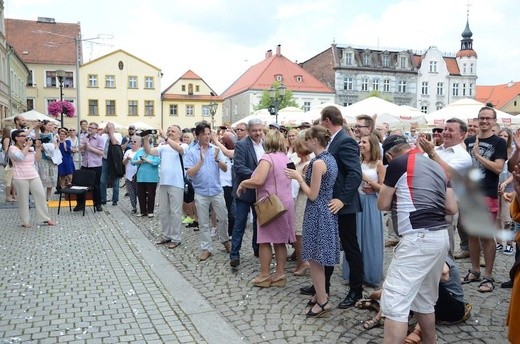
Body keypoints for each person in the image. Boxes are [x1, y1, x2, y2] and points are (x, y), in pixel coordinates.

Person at [377, 134, 457, 344]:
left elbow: (382, 204)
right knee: (424, 300)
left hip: (417, 237)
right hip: (439, 237)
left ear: (388, 155)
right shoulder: (438, 166)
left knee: (395, 302)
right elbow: (452, 208)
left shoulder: (399, 163)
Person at [300, 106, 363, 310]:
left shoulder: (346, 141)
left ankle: (356, 290)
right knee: (323, 247)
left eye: (321, 120)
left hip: (341, 205)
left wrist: (342, 200)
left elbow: (355, 173)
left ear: (327, 120)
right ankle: (321, 288)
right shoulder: (333, 142)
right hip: (327, 203)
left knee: (350, 248)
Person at [285, 126, 338, 316]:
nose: (305, 142)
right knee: (319, 257)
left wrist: (299, 178)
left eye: (307, 139)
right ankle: (320, 295)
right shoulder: (329, 159)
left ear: (315, 140)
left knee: (315, 259)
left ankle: (323, 302)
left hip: (317, 211)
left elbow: (313, 195)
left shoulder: (318, 163)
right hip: (326, 211)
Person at [238, 130, 295, 288]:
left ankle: (264, 275)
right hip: (286, 202)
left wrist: (243, 184)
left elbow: (258, 180)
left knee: (264, 241)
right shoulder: (286, 158)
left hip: (270, 204)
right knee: (280, 241)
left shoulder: (267, 158)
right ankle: (280, 274)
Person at [463, 107, 507, 293]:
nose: (484, 121)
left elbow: (498, 168)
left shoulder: (498, 142)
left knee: (487, 236)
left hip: (487, 193)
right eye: (481, 118)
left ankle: (488, 275)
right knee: (472, 233)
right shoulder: (469, 141)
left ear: (494, 121)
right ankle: (475, 270)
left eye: (488, 118)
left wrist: (478, 155)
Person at [417, 118, 472, 257]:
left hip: (447, 204)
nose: (445, 132)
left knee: (445, 247)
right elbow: (419, 169)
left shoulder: (463, 156)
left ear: (462, 135)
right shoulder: (434, 150)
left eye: (450, 130)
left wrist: (432, 155)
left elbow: (448, 174)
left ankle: (449, 275)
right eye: (445, 129)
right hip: (427, 200)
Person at [185, 122, 230, 261]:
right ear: (197, 136)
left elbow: (225, 169)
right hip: (201, 192)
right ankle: (206, 248)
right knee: (204, 222)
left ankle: (225, 241)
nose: (207, 136)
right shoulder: (192, 152)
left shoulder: (216, 149)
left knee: (223, 218)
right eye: (204, 134)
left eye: (208, 133)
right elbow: (190, 174)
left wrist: (217, 159)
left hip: (216, 190)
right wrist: (200, 162)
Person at [347, 133, 385, 287]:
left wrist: (367, 180)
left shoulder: (379, 164)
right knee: (355, 239)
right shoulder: (357, 162)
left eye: (364, 142)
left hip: (371, 204)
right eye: (360, 142)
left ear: (372, 145)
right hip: (357, 202)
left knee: (370, 239)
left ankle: (371, 273)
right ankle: (355, 274)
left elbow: (383, 188)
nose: (360, 144)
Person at [143, 125, 188, 249]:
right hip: (163, 183)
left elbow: (179, 149)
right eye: (169, 131)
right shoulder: (163, 146)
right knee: (164, 211)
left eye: (173, 131)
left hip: (176, 183)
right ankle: (166, 235)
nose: (170, 132)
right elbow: (150, 151)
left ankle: (176, 238)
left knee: (175, 212)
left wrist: (165, 137)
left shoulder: (184, 145)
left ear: (179, 134)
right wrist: (145, 140)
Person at [229, 118, 265, 267]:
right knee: (240, 223)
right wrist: (258, 175)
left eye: (260, 130)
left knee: (259, 222)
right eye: (255, 130)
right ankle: (234, 254)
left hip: (261, 191)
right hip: (244, 191)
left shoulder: (267, 144)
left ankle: (257, 249)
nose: (258, 133)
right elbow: (238, 167)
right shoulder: (242, 145)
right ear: (249, 131)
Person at [9, 129, 56, 227]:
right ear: (16, 138)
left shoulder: (29, 148)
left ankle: (45, 218)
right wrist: (27, 146)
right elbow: (20, 157)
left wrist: (38, 148)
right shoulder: (12, 148)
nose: (24, 137)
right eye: (22, 135)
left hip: (33, 175)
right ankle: (25, 221)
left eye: (25, 135)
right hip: (20, 177)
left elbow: (37, 159)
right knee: (23, 199)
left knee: (40, 196)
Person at [289, 131, 314, 275]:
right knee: (297, 233)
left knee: (299, 233)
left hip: (303, 200)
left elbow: (309, 186)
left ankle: (304, 262)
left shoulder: (309, 164)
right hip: (296, 199)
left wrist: (298, 177)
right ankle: (300, 261)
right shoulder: (299, 162)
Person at [77, 122, 104, 212]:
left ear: (96, 130)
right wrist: (83, 147)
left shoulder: (100, 139)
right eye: (89, 127)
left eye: (92, 128)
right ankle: (80, 204)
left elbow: (101, 153)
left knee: (96, 185)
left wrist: (90, 148)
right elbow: (79, 149)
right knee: (80, 184)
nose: (89, 129)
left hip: (95, 165)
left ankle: (98, 204)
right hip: (85, 164)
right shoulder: (85, 137)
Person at [132, 137, 160, 217]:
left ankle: (150, 211)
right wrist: (139, 161)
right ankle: (142, 211)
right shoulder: (140, 151)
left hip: (151, 177)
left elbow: (158, 161)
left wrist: (147, 160)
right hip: (141, 177)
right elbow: (132, 161)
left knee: (151, 195)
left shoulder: (154, 151)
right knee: (141, 194)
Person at [100, 123, 124, 206]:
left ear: (114, 128)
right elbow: (96, 136)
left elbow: (114, 142)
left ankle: (115, 199)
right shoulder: (103, 135)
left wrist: (111, 133)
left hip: (114, 161)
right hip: (105, 159)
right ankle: (103, 198)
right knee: (103, 180)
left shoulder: (118, 135)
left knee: (115, 180)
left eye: (111, 127)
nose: (109, 129)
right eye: (108, 127)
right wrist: (104, 130)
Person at [35, 120, 59, 200]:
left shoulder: (54, 135)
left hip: (52, 159)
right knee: (43, 176)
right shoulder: (40, 135)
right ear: (44, 126)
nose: (51, 126)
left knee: (51, 177)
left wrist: (47, 146)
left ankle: (48, 196)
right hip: (43, 158)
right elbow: (38, 145)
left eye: (51, 125)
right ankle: (42, 196)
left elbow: (56, 146)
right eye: (49, 125)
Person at [123, 135, 140, 214]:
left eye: (135, 141)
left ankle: (142, 207)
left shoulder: (141, 151)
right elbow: (123, 163)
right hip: (129, 175)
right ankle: (134, 207)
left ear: (139, 143)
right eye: (132, 141)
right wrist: (127, 159)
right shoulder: (128, 152)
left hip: (139, 176)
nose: (133, 143)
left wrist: (133, 160)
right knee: (131, 193)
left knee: (139, 193)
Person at [2, 126, 16, 202]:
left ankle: (13, 195)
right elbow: (7, 149)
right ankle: (8, 196)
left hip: (10, 160)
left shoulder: (7, 138)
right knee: (9, 180)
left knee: (12, 179)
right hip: (9, 160)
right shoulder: (7, 139)